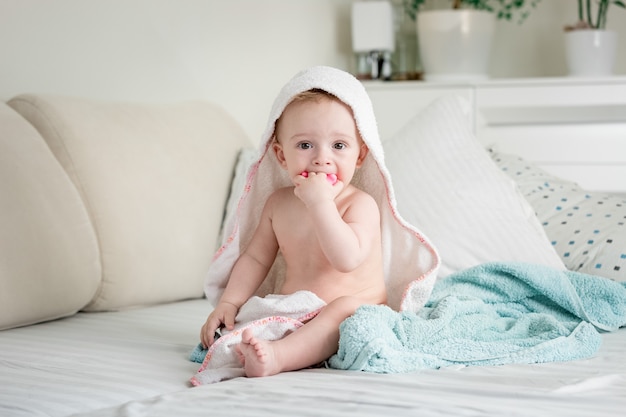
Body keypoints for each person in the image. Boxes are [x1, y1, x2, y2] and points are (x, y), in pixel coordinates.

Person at [199, 88, 387, 378]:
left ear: (360, 154)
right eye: (304, 145)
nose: (322, 158)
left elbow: (346, 258)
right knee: (252, 317)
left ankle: (278, 356)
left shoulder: (360, 204)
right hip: (297, 312)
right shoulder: (278, 204)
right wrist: (230, 302)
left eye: (338, 145)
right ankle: (265, 344)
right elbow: (255, 259)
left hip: (355, 311)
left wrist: (320, 203)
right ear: (281, 155)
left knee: (343, 309)